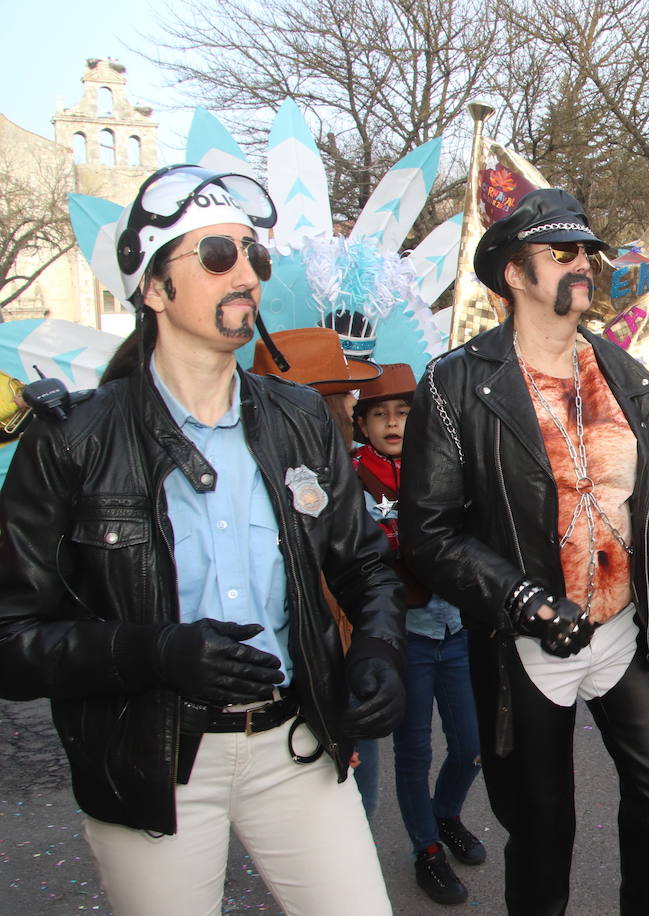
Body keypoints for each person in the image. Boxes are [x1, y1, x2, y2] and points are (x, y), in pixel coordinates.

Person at [0, 164, 407, 914]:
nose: (246, 273)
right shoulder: (72, 442)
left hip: (296, 749)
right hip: (154, 760)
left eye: (255, 256)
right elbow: (13, 640)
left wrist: (378, 648)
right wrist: (158, 653)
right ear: (154, 288)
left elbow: (364, 566)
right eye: (217, 257)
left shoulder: (300, 418)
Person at [401, 188, 649, 916]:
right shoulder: (456, 384)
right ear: (514, 272)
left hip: (620, 631)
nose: (582, 265)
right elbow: (428, 532)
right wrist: (520, 598)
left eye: (587, 254)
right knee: (543, 827)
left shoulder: (625, 375)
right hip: (528, 644)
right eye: (561, 253)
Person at [351, 362, 485, 905]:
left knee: (472, 746)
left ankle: (445, 813)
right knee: (414, 751)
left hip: (454, 628)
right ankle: (425, 849)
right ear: (361, 425)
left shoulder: (444, 466)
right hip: (405, 636)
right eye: (378, 414)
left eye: (403, 413)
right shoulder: (353, 477)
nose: (392, 424)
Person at [247, 326, 386, 819]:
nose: (355, 404)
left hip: (342, 660)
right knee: (343, 799)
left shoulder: (339, 465)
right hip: (320, 670)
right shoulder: (301, 477)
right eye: (344, 393)